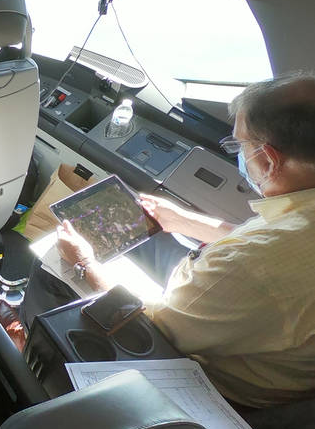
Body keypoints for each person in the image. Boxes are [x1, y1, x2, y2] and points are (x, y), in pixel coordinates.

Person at [53, 73, 315, 409]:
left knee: (59, 281)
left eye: (239, 145)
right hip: (240, 315)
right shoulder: (291, 230)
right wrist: (183, 220)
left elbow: (144, 330)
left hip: (207, 381)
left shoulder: (252, 264)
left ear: (268, 160)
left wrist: (83, 262)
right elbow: (275, 243)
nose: (239, 156)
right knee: (145, 238)